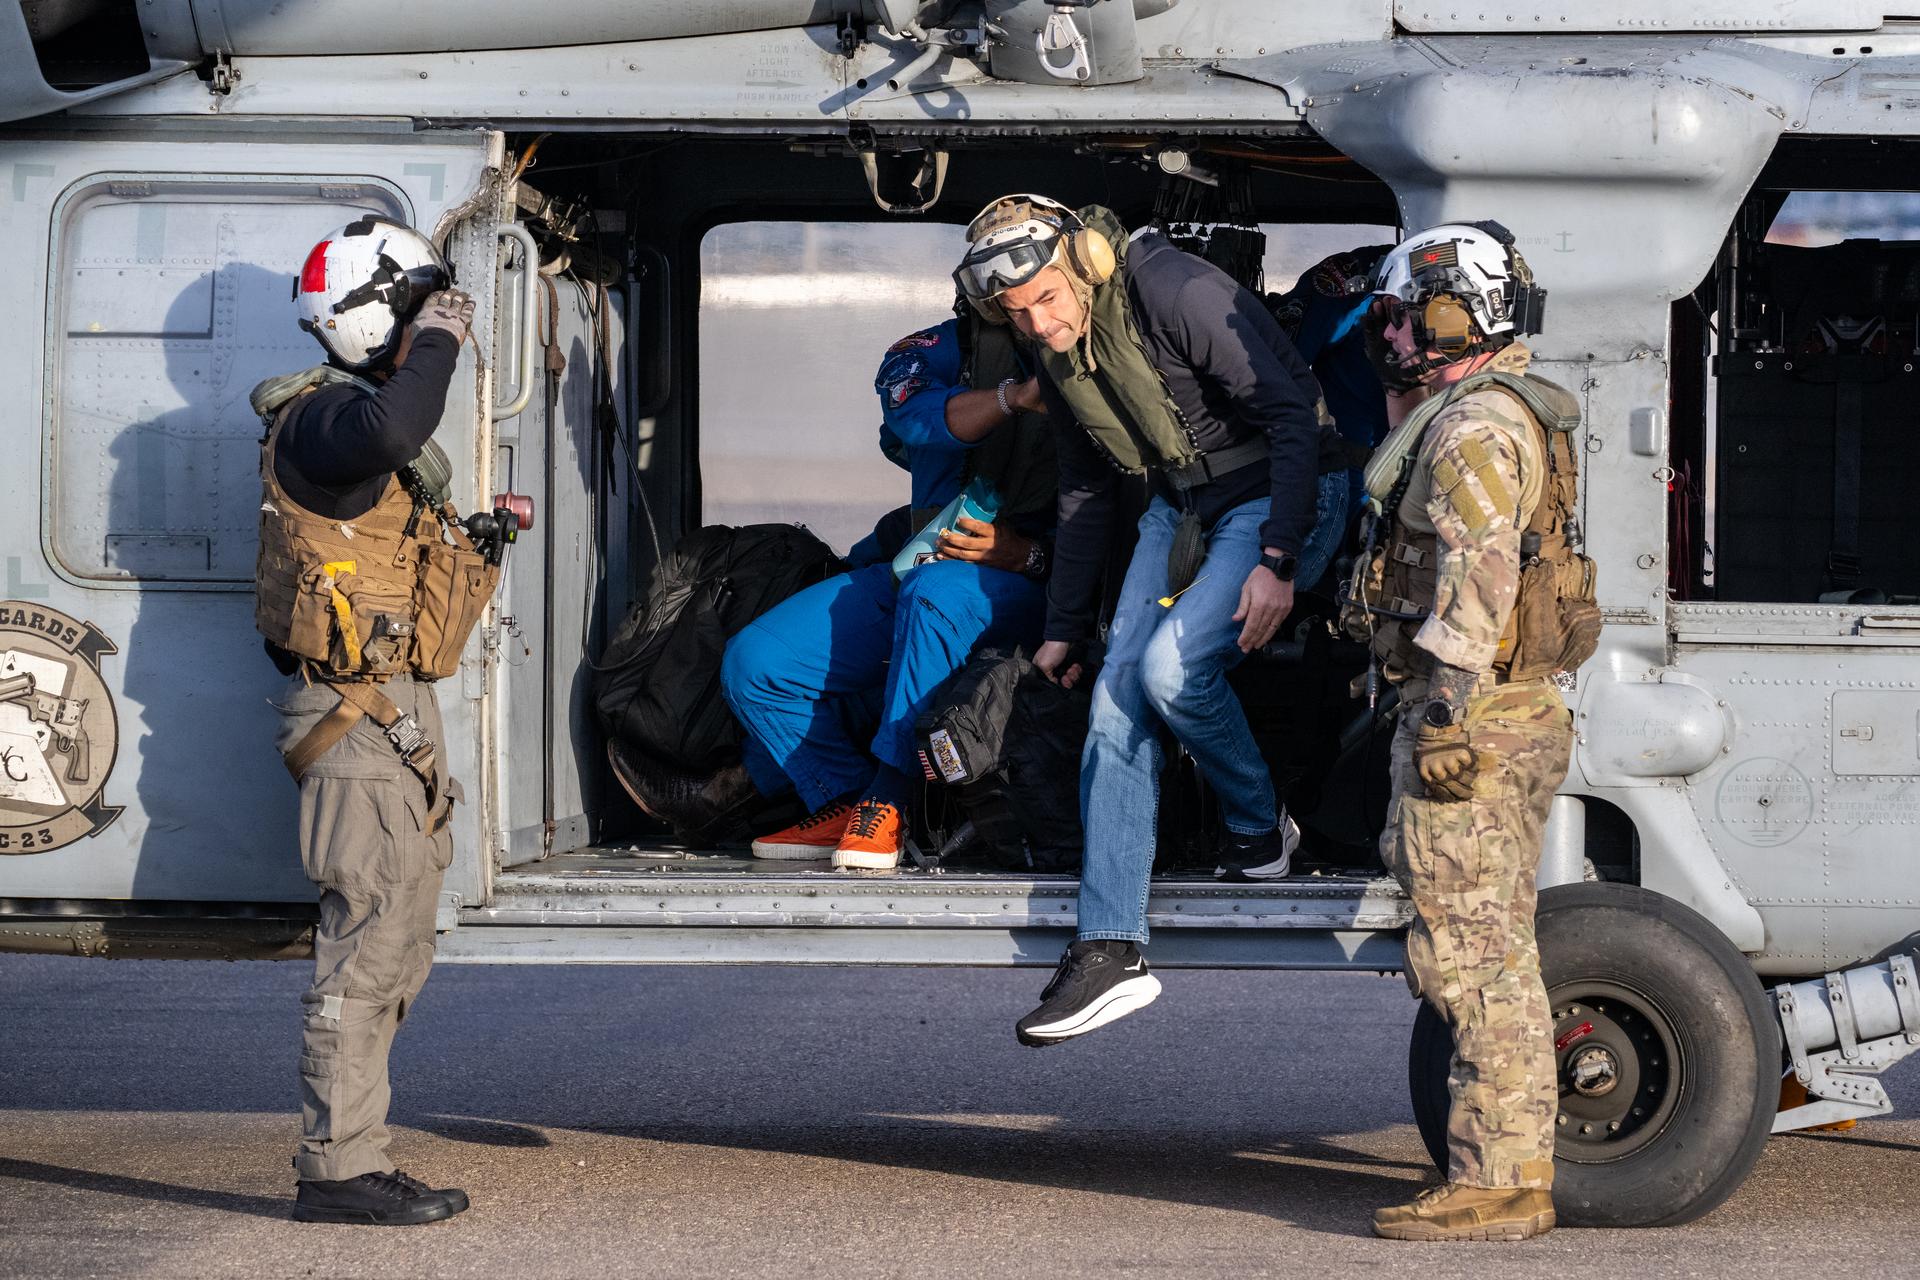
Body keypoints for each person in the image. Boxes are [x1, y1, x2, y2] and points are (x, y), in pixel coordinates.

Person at [951, 195, 1326, 1046]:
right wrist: (1063, 626)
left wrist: (1277, 559)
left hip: (1275, 492)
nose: (1042, 325)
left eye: (1049, 297)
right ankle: (1110, 946)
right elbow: (1086, 489)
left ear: (1084, 261)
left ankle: (1257, 825)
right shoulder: (1052, 351)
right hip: (1180, 506)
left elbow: (1294, 419)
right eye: (1019, 313)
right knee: (1116, 697)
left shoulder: (1173, 290)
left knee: (1168, 672)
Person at [1339, 221, 1593, 1242]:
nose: (1391, 334)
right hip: (1510, 710)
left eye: (1406, 316)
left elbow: (1475, 577)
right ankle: (1513, 1168)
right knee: (1493, 945)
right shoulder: (1495, 410)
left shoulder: (1473, 428)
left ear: (1458, 315)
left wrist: (1443, 711)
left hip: (1473, 715)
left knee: (1473, 953)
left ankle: (1498, 1180)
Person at [609, 308, 1058, 870]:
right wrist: (1013, 398)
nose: (1030, 312)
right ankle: (843, 801)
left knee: (935, 592)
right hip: (928, 566)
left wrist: (1029, 555)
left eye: (1042, 289)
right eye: (1004, 291)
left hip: (1040, 584)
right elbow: (913, 417)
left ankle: (887, 802)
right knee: (758, 662)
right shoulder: (942, 349)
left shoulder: (1097, 357)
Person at [253, 216, 491, 1225]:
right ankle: (339, 1170)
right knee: (365, 948)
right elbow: (392, 431)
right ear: (371, 320)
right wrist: (435, 338)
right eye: (416, 305)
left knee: (397, 941)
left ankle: (357, 1150)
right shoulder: (321, 427)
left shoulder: (353, 426)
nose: (434, 324)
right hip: (355, 724)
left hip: (390, 714)